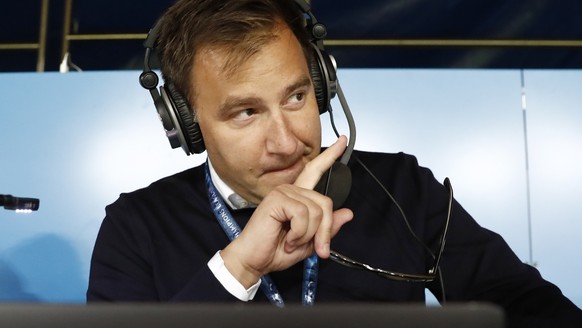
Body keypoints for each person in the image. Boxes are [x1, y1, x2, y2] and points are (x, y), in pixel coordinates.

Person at [87, 0, 582, 326]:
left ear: (322, 85)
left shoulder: (403, 186)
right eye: (245, 113)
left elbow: (535, 310)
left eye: (297, 96)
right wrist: (237, 268)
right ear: (186, 125)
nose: (285, 142)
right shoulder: (136, 226)